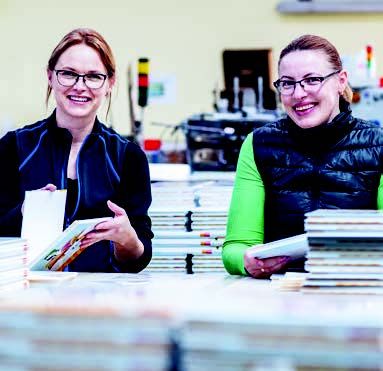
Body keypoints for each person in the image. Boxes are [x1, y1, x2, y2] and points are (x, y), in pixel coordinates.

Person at [223, 34, 383, 278]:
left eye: (312, 80)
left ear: (341, 81)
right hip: (282, 296)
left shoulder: (378, 143)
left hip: (358, 290)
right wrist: (247, 262)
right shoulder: (258, 144)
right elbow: (235, 248)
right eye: (287, 83)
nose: (298, 94)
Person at [0, 28, 153, 273]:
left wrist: (127, 239)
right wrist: (23, 213)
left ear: (110, 83)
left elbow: (138, 258)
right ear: (50, 76)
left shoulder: (128, 157)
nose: (80, 86)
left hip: (101, 302)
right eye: (68, 74)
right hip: (26, 299)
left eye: (93, 76)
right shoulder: (13, 148)